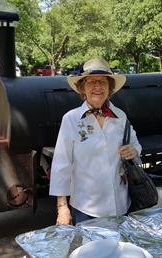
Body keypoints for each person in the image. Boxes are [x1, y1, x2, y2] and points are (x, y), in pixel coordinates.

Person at [49, 58, 142, 225]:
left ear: (110, 88)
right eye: (92, 82)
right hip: (86, 209)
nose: (98, 87)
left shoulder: (120, 116)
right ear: (82, 87)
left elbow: (136, 145)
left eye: (103, 82)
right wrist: (62, 207)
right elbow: (61, 165)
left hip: (120, 205)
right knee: (89, 251)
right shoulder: (71, 119)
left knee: (118, 250)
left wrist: (133, 151)